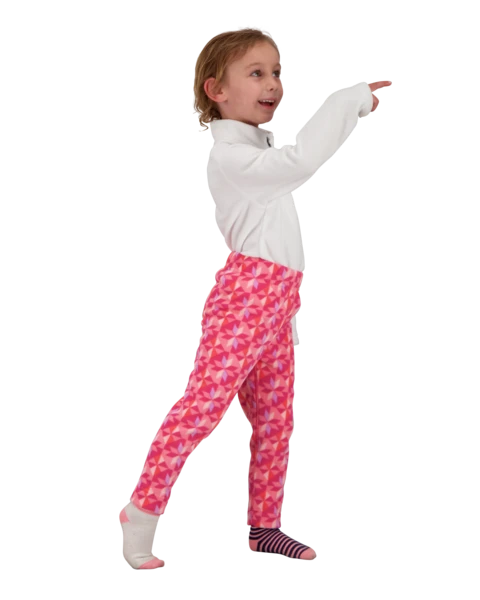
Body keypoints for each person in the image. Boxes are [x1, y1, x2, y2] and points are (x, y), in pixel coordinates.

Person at [119, 25, 392, 569]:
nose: (273, 83)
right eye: (257, 73)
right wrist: (350, 99)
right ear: (217, 90)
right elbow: (301, 162)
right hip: (248, 295)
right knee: (202, 407)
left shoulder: (256, 149)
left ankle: (265, 527)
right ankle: (140, 516)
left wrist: (355, 112)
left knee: (275, 418)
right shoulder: (230, 157)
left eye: (277, 72)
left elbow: (296, 164)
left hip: (279, 299)